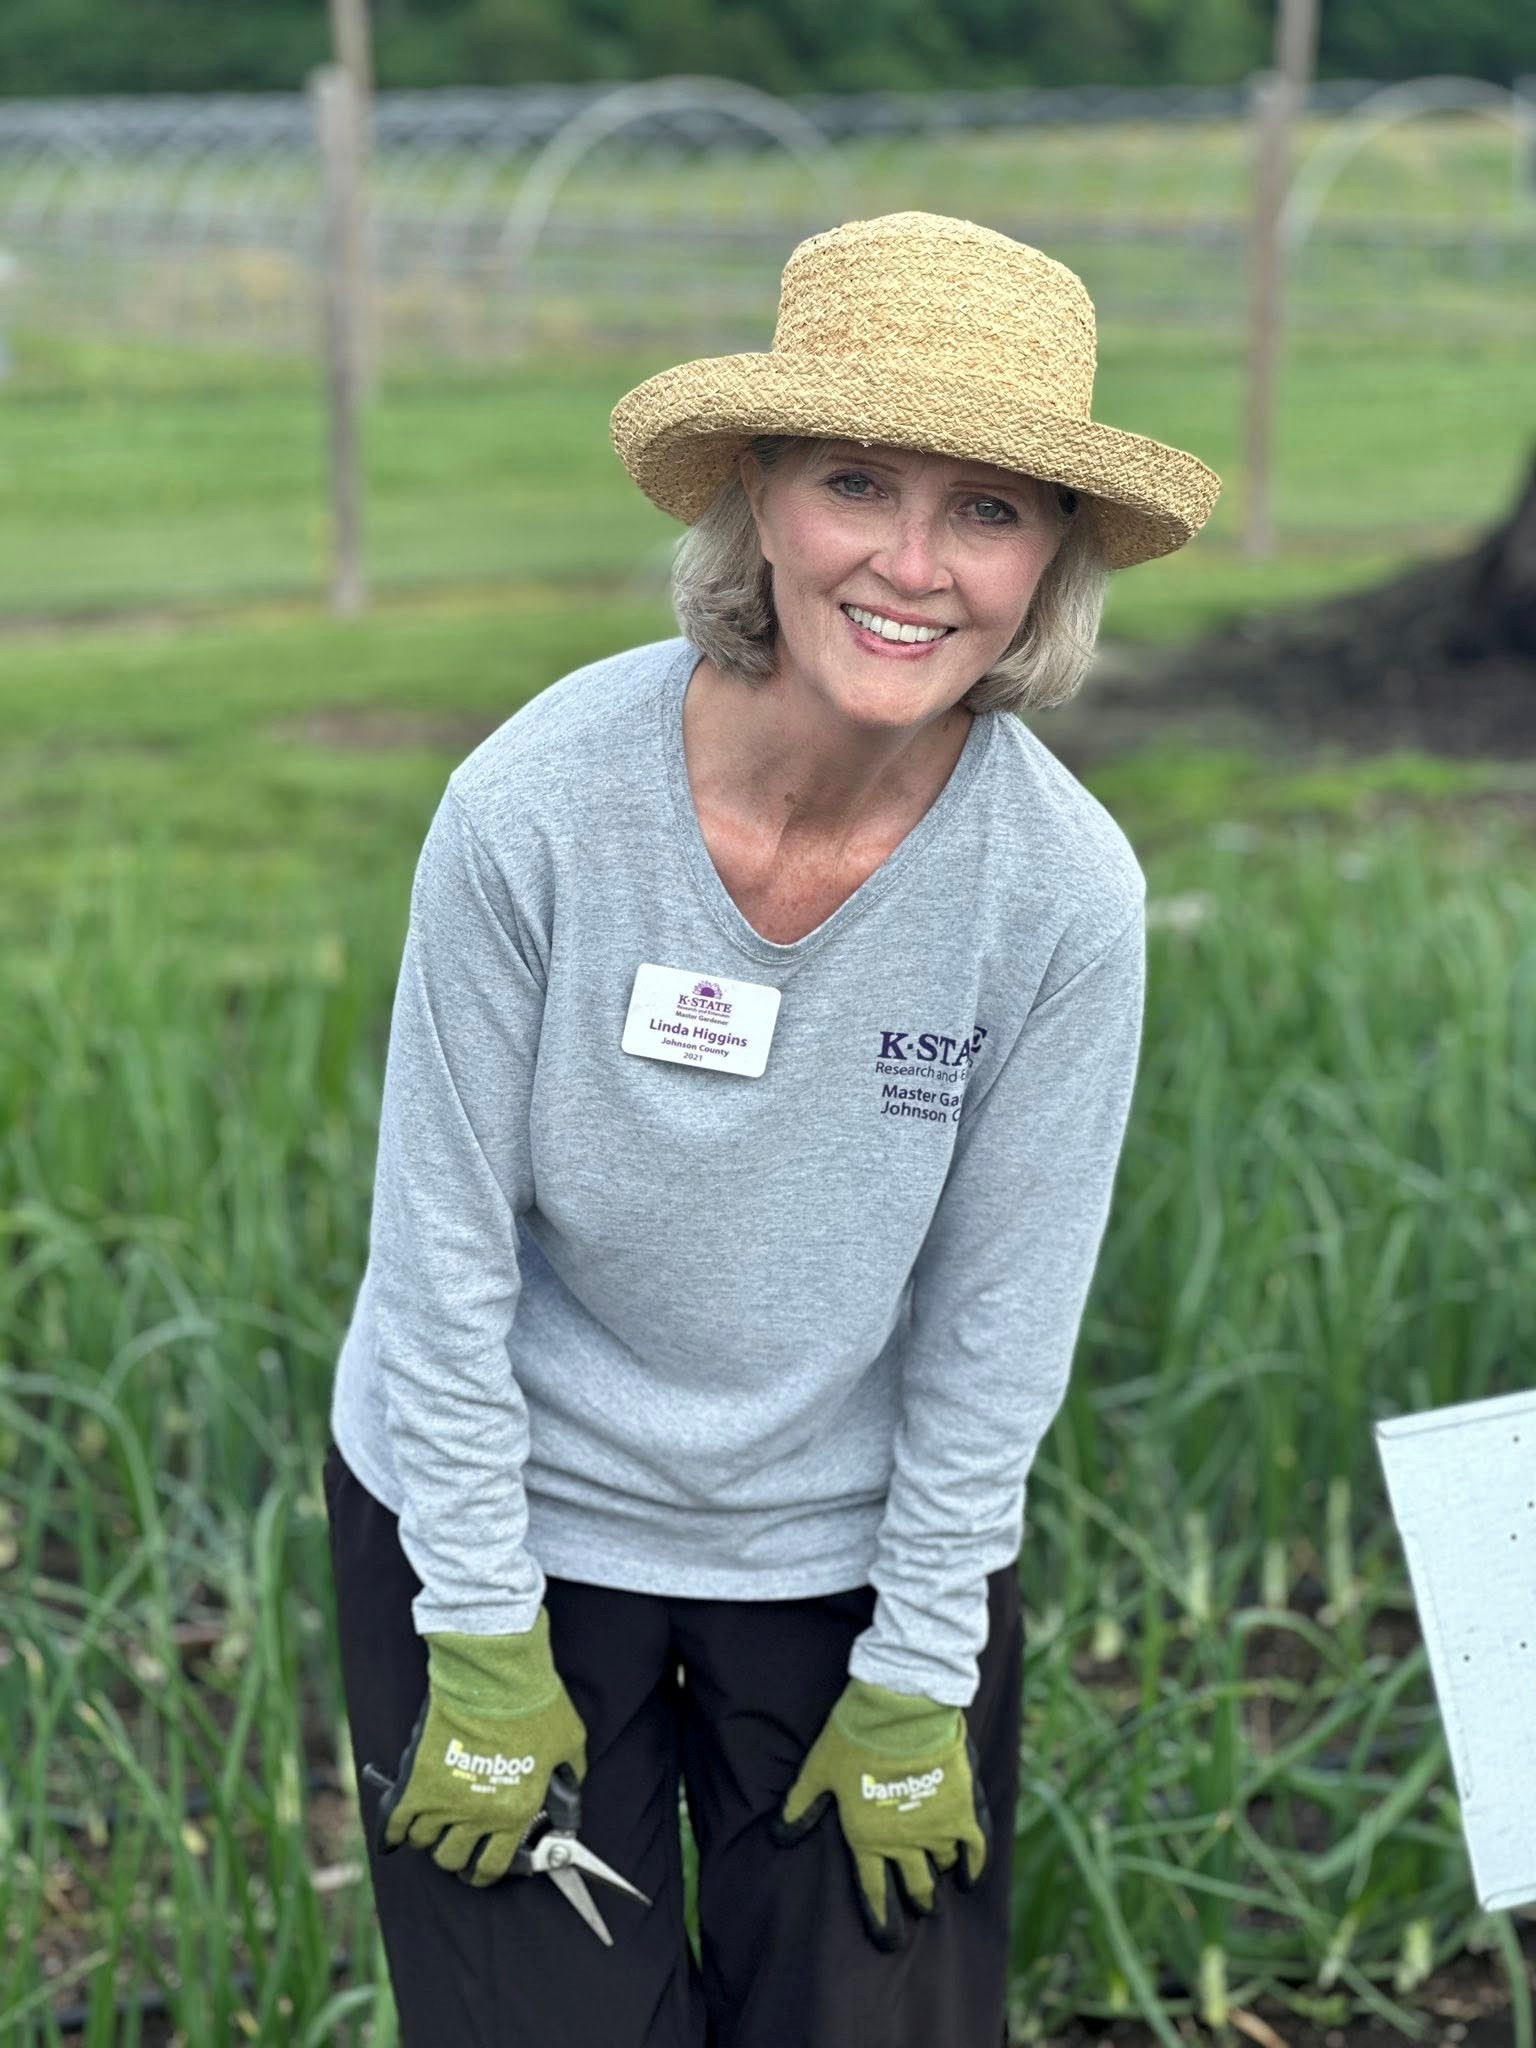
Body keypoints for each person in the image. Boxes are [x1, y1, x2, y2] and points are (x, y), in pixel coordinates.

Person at [321, 208, 1221, 2048]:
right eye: (855, 483)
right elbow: (439, 1256)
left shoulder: (1057, 898)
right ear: (754, 497)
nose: (913, 564)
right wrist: (480, 1630)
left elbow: (998, 1326)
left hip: (853, 1546)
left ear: (1049, 557)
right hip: (507, 1512)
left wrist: (920, 1669)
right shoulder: (536, 812)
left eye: (989, 509)